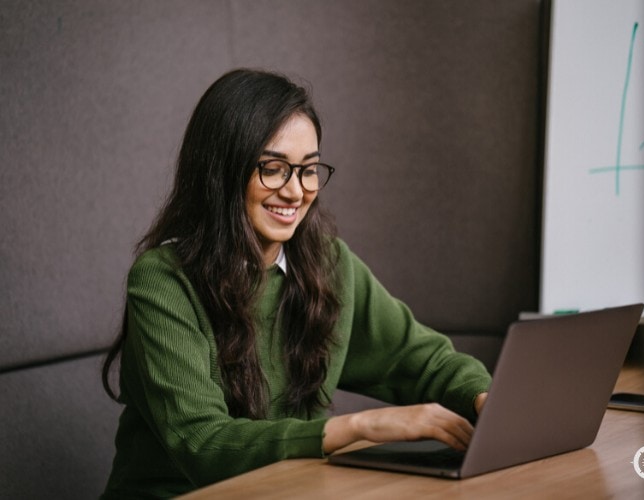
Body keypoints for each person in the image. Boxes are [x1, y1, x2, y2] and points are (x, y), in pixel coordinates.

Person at [100, 68, 491, 498]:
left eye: (308, 170)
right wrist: (359, 426)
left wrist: (484, 398)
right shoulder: (163, 281)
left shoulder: (329, 263)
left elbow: (423, 360)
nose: (295, 191)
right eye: (273, 168)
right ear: (221, 172)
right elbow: (204, 444)